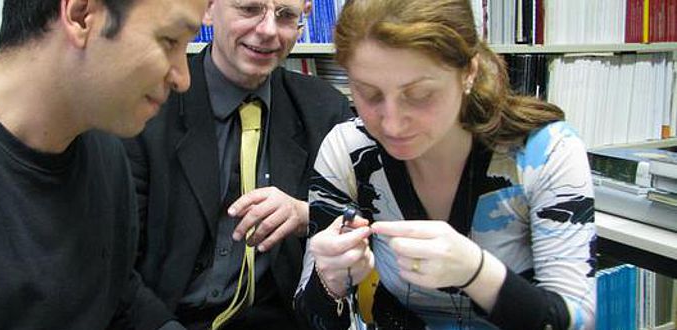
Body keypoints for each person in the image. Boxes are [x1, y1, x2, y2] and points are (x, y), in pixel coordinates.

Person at [294, 0, 597, 329]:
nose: (392, 124)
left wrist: (477, 273)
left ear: (469, 71)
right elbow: (311, 315)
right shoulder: (351, 150)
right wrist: (329, 282)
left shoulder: (544, 152)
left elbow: (576, 322)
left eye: (421, 95)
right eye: (369, 94)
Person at [0, 0, 206, 328]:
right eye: (170, 41)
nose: (183, 79)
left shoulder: (107, 156)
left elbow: (119, 299)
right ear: (81, 16)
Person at [123, 0, 353, 328]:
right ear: (207, 9)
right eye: (248, 9)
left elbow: (366, 223)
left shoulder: (325, 110)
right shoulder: (146, 110)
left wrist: (307, 214)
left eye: (285, 16)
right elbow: (112, 268)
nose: (268, 31)